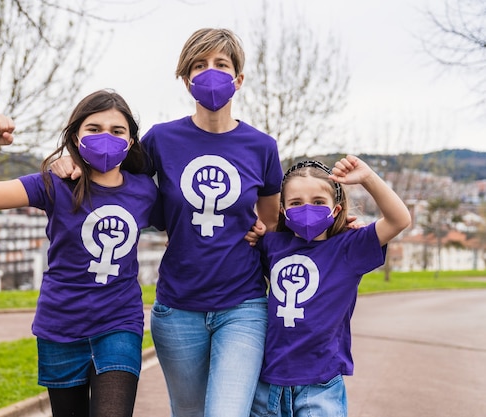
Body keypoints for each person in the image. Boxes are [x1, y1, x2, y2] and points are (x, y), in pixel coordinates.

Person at [50, 28, 283, 417]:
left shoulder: (262, 147)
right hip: (178, 309)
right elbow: (112, 174)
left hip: (243, 304)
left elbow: (273, 221)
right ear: (185, 78)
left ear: (238, 79)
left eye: (221, 65)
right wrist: (71, 161)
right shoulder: (160, 140)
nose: (210, 73)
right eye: (198, 65)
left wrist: (268, 231)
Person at [0, 90, 160, 417]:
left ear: (131, 142)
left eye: (117, 130)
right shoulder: (53, 185)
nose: (105, 137)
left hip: (119, 323)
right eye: (93, 129)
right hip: (60, 326)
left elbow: (184, 224)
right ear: (76, 137)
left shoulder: (145, 191)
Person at [250, 156, 412, 417]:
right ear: (283, 210)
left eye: (318, 203)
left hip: (320, 384)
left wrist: (367, 177)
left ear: (335, 210)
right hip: (267, 383)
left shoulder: (349, 248)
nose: (307, 209)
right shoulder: (272, 246)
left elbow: (399, 220)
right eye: (296, 203)